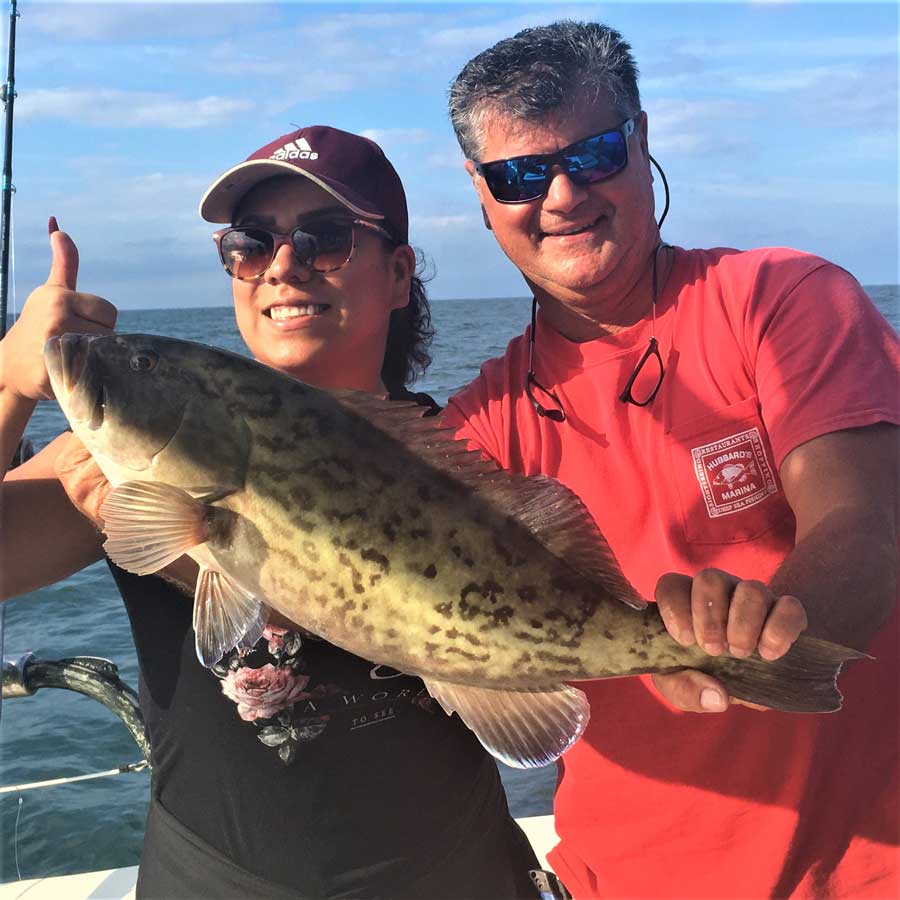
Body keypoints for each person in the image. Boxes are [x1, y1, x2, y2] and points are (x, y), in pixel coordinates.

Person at [0, 126, 541, 898]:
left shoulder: (471, 458)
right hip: (214, 879)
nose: (283, 266)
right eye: (251, 243)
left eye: (326, 238)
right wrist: (12, 384)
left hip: (459, 872)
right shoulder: (130, 450)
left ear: (397, 274)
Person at [442, 20, 900, 900]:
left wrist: (771, 635)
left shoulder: (782, 300)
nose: (564, 194)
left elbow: (862, 522)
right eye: (521, 175)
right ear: (481, 192)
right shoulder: (478, 432)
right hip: (621, 879)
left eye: (597, 152)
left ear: (642, 139)